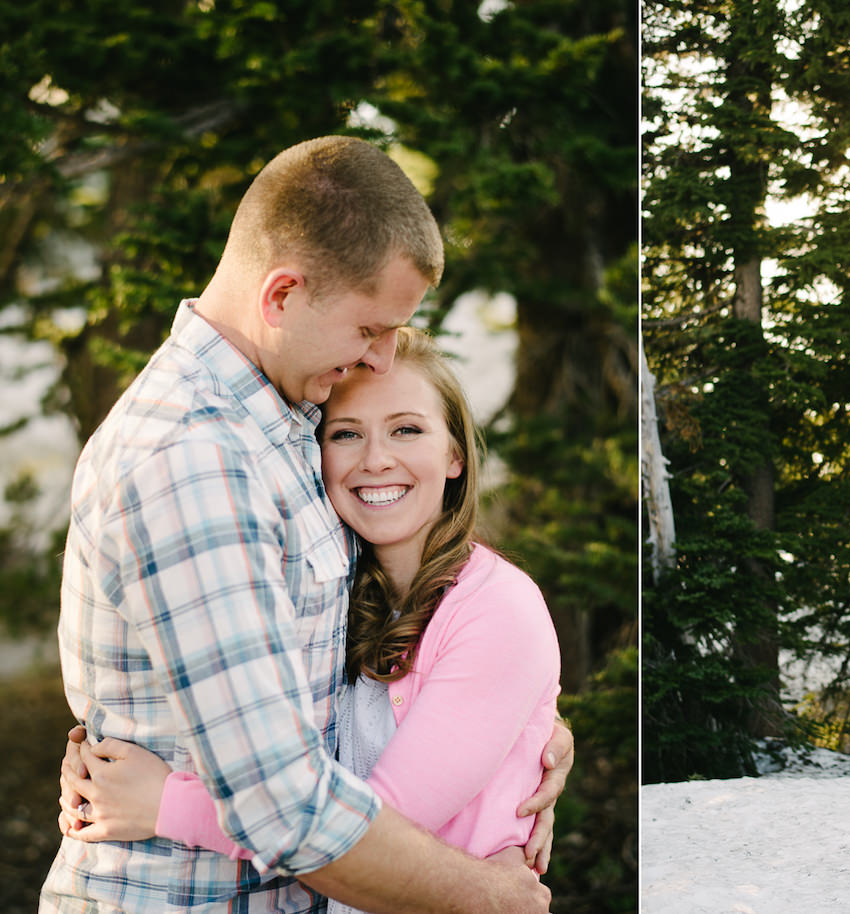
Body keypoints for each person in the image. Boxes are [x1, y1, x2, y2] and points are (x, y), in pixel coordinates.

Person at [41, 136, 569, 914]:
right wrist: (491, 897)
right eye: (369, 331)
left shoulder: (285, 417)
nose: (382, 360)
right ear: (281, 296)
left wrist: (526, 733)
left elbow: (405, 643)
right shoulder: (193, 461)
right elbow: (285, 811)